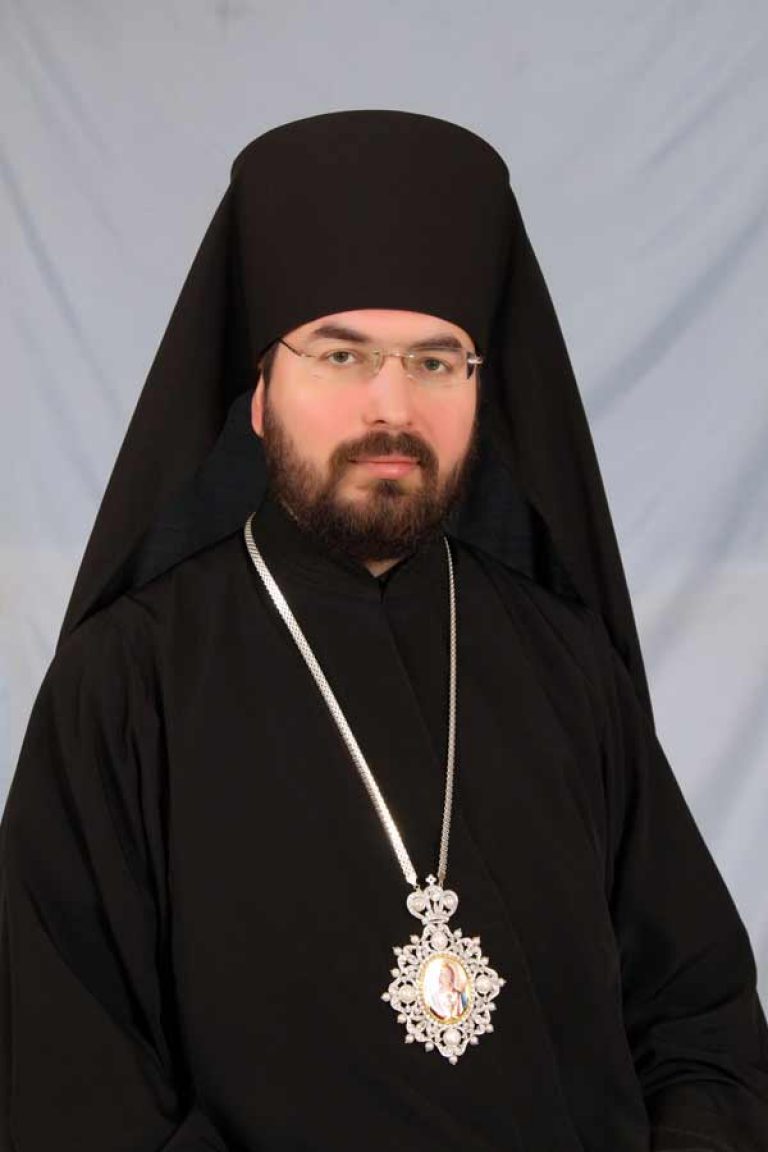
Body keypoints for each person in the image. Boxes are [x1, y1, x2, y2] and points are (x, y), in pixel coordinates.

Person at [1, 110, 767, 1151]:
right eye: (342, 354)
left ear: (482, 392)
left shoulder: (566, 663)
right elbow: (69, 1082)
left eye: (436, 363)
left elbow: (703, 1024)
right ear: (260, 393)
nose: (392, 408)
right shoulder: (125, 684)